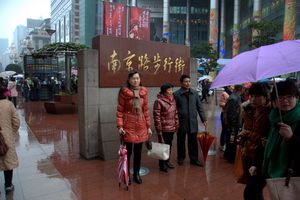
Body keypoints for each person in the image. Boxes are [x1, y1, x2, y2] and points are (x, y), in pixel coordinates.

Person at [236, 83, 271, 200]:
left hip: (261, 156)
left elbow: (264, 137)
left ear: (266, 97)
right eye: (251, 96)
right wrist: (242, 138)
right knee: (255, 191)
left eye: (257, 96)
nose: (253, 99)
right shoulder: (248, 110)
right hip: (248, 153)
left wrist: (247, 134)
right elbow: (246, 128)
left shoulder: (270, 113)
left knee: (250, 192)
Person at [116, 71, 151, 184]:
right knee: (128, 152)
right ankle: (126, 174)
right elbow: (120, 110)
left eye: (137, 78)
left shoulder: (143, 92)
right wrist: (120, 125)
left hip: (141, 125)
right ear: (129, 80)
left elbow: (145, 110)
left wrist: (148, 126)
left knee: (138, 152)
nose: (136, 80)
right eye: (133, 78)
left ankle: (136, 173)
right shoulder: (124, 92)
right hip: (128, 125)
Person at [262, 80, 300, 182]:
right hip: (269, 165)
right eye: (280, 97)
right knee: (250, 191)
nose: (285, 101)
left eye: (289, 96)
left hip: (292, 172)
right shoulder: (273, 117)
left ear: (296, 97)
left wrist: (291, 137)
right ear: (274, 101)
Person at [173, 74, 207, 166]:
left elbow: (199, 107)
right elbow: (174, 109)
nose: (187, 83)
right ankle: (181, 158)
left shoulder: (195, 93)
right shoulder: (176, 94)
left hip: (192, 121)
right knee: (181, 141)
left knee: (193, 142)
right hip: (181, 121)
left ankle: (194, 159)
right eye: (185, 81)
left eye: (189, 81)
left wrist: (204, 119)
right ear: (181, 83)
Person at [0, 79, 20, 194]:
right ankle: (8, 185)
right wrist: (10, 133)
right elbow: (16, 122)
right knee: (7, 162)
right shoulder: (8, 104)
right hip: (6, 137)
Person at [153, 83, 179, 172]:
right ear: (164, 91)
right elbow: (157, 117)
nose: (171, 92)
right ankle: (162, 165)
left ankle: (167, 161)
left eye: (172, 90)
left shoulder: (173, 100)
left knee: (169, 145)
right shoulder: (159, 101)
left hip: (171, 127)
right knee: (162, 146)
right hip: (163, 128)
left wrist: (176, 124)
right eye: (169, 90)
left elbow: (175, 113)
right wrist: (159, 129)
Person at [224, 85, 244, 163]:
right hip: (233, 124)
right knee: (232, 141)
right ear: (240, 89)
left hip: (234, 123)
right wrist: (233, 126)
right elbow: (231, 114)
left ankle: (228, 155)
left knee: (231, 140)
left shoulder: (236, 97)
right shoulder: (233, 98)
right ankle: (230, 157)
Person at [219, 86, 233, 151]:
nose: (232, 87)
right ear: (228, 87)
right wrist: (229, 105)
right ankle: (222, 144)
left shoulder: (232, 93)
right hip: (224, 114)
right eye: (231, 86)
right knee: (224, 129)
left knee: (228, 130)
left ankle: (226, 144)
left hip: (230, 114)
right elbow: (221, 104)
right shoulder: (224, 94)